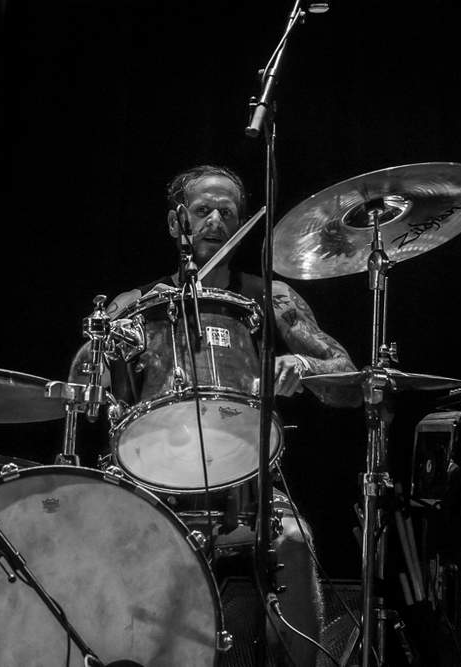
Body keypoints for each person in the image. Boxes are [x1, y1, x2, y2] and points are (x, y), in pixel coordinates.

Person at [70, 164, 358, 666]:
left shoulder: (269, 296)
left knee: (294, 541)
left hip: (247, 482)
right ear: (175, 222)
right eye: (203, 210)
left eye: (228, 212)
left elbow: (348, 378)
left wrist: (304, 365)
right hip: (153, 478)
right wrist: (105, 344)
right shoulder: (138, 304)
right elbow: (81, 385)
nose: (216, 221)